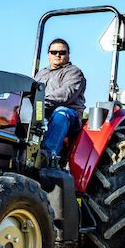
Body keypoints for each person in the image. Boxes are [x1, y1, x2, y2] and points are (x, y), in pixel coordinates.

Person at [34, 38, 87, 166]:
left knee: (60, 113)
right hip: (42, 111)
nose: (57, 55)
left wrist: (40, 100)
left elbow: (66, 94)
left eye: (62, 52)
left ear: (68, 55)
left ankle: (47, 157)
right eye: (54, 52)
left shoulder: (74, 72)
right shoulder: (41, 73)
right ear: (49, 55)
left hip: (70, 115)